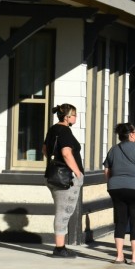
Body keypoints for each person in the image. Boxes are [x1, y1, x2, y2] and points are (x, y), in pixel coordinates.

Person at [103, 122, 135, 264]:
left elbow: (107, 170)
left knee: (120, 221)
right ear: (131, 134)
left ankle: (119, 256)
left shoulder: (113, 150)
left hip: (116, 188)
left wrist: (111, 183)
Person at [43, 104, 85, 258]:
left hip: (52, 175)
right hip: (66, 178)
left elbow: (45, 150)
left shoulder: (53, 129)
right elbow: (66, 153)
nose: (76, 117)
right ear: (67, 117)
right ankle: (60, 248)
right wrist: (77, 172)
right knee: (64, 212)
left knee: (61, 211)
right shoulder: (65, 131)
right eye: (74, 115)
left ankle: (60, 246)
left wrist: (55, 162)